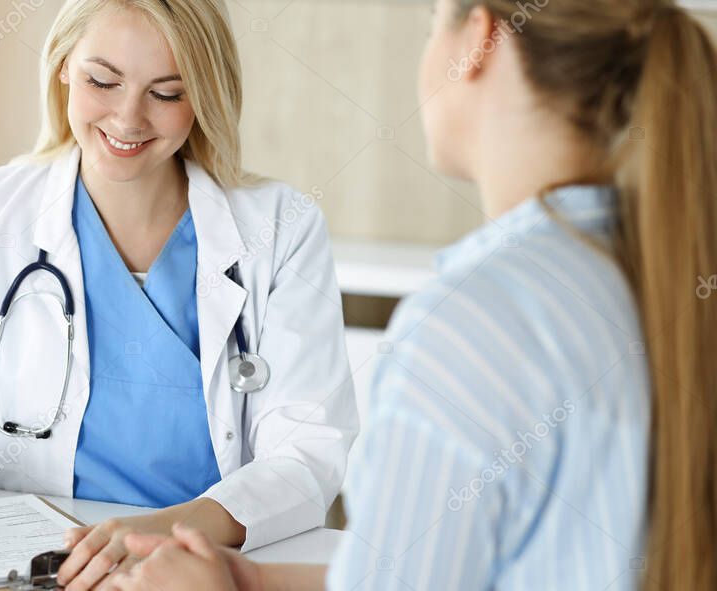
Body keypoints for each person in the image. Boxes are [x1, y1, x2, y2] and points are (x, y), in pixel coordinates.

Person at [108, 0, 717, 589]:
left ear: (478, 40)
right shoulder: (655, 272)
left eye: (433, 23)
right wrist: (255, 583)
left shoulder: (472, 324)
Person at [0, 0, 358, 589]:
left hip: (194, 573)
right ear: (64, 67)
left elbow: (308, 455)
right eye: (103, 80)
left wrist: (164, 533)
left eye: (167, 93)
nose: (128, 119)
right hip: (31, 570)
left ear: (203, 96)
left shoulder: (280, 228)